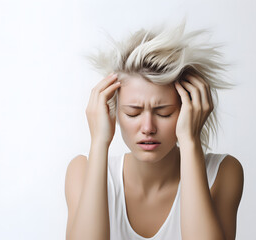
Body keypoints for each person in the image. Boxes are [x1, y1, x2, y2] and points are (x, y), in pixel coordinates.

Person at [64, 23, 244, 240]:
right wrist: (99, 142)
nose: (148, 128)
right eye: (133, 113)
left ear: (189, 110)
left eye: (164, 112)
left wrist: (190, 141)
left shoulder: (223, 172)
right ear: (114, 112)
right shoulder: (82, 171)